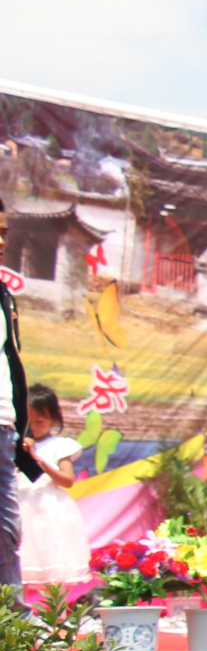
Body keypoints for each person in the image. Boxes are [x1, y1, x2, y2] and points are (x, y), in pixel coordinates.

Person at [0, 205, 37, 594]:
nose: (0, 241)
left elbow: (11, 360)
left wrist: (20, 428)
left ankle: (12, 636)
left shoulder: (4, 295)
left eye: (4, 232)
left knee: (6, 533)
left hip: (3, 427)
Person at [18, 385, 90, 587]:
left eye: (40, 421)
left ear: (54, 418)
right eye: (29, 421)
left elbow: (67, 480)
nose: (34, 426)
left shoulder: (60, 445)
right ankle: (12, 616)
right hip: (20, 506)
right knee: (21, 563)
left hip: (50, 509)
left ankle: (56, 615)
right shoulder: (15, 444)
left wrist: (42, 464)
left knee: (55, 563)